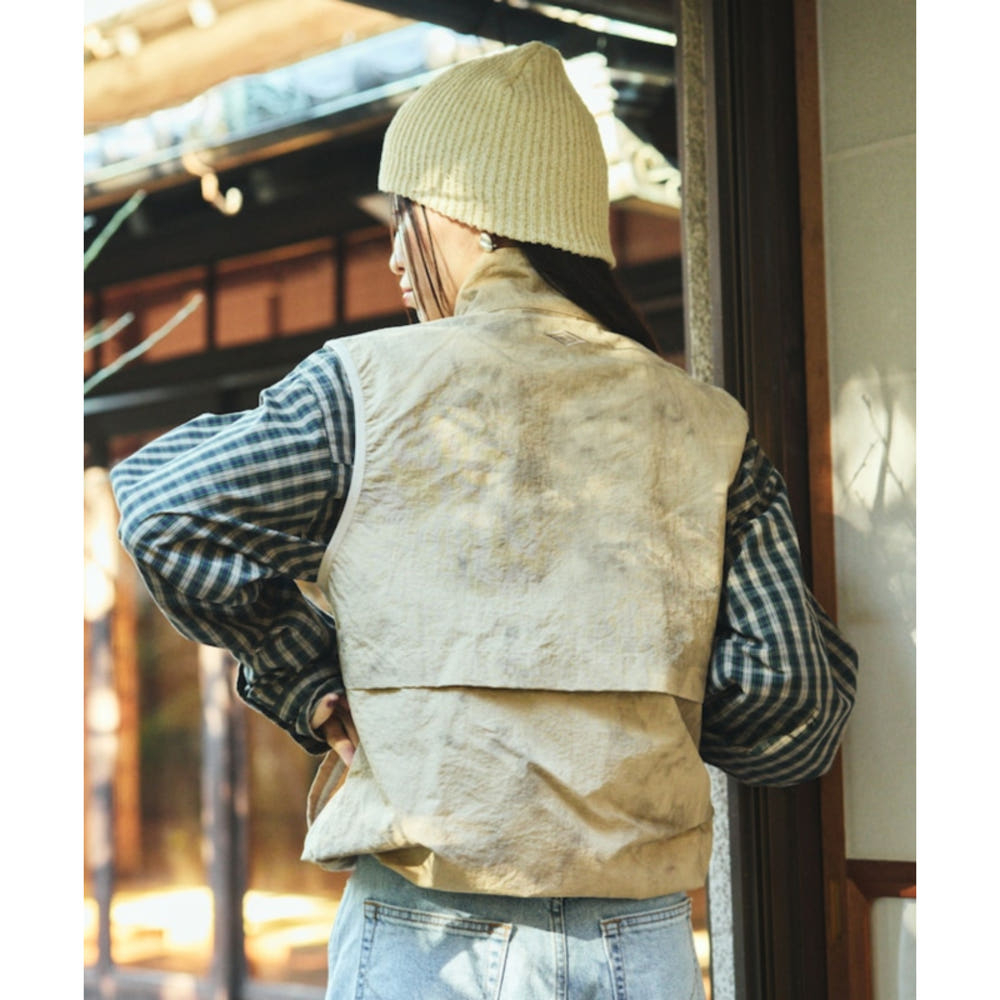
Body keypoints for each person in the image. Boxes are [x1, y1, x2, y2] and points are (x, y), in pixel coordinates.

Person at [111, 41, 858, 1000]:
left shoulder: (366, 390)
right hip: (641, 940)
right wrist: (639, 699)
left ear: (470, 213)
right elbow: (793, 702)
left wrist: (311, 677)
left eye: (404, 217)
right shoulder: (707, 426)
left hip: (431, 933)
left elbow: (164, 506)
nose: (393, 254)